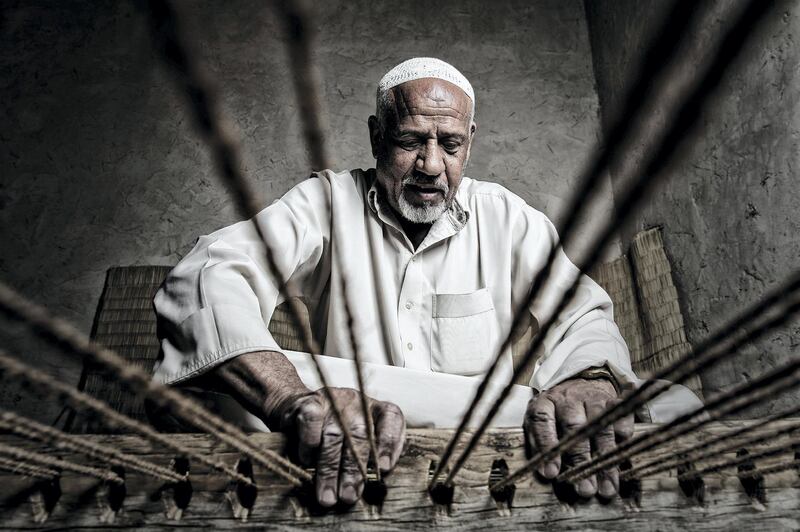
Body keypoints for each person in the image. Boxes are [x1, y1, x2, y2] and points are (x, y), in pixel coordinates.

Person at [152, 57, 701, 508]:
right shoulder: (326, 202)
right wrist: (289, 397)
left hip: (491, 426)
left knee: (673, 403)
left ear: (471, 142)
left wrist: (588, 380)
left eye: (451, 144)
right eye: (411, 140)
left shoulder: (505, 216)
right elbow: (208, 273)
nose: (431, 165)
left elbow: (580, 313)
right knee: (200, 388)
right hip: (347, 421)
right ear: (375, 135)